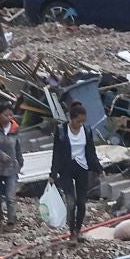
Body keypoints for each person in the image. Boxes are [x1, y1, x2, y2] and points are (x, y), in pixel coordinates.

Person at [50, 100, 102, 238]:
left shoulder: (86, 130)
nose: (80, 125)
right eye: (78, 122)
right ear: (71, 119)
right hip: (66, 168)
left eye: (82, 122)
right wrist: (53, 173)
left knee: (82, 202)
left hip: (82, 168)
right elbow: (57, 153)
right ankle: (71, 230)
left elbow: (91, 151)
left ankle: (78, 230)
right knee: (71, 201)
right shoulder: (61, 131)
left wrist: (99, 169)